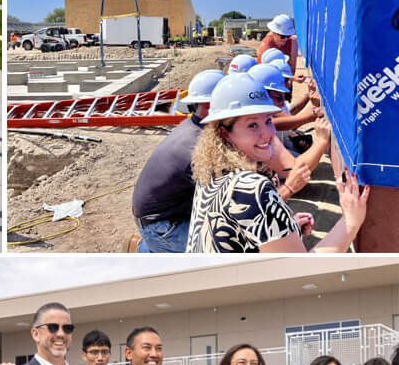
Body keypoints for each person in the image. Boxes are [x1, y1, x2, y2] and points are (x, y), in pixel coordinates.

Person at [187, 73, 369, 253]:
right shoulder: (252, 188)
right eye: (252, 125)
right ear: (225, 133)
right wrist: (349, 222)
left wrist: (284, 228)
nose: (267, 133)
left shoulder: (212, 172)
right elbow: (302, 272)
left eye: (267, 121)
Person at [131, 69, 224, 252]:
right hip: (162, 226)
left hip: (158, 217)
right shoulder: (200, 144)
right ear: (210, 105)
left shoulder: (197, 127)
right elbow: (227, 203)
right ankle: (154, 246)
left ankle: (145, 249)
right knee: (223, 251)